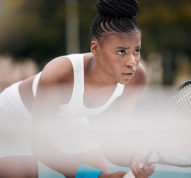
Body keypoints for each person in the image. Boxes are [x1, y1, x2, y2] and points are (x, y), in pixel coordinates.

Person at [0, 0, 155, 177]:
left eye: (137, 50)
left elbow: (112, 142)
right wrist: (96, 177)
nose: (132, 62)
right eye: (122, 52)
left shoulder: (137, 77)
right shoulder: (59, 74)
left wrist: (135, 158)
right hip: (15, 120)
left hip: (68, 119)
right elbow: (42, 148)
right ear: (95, 48)